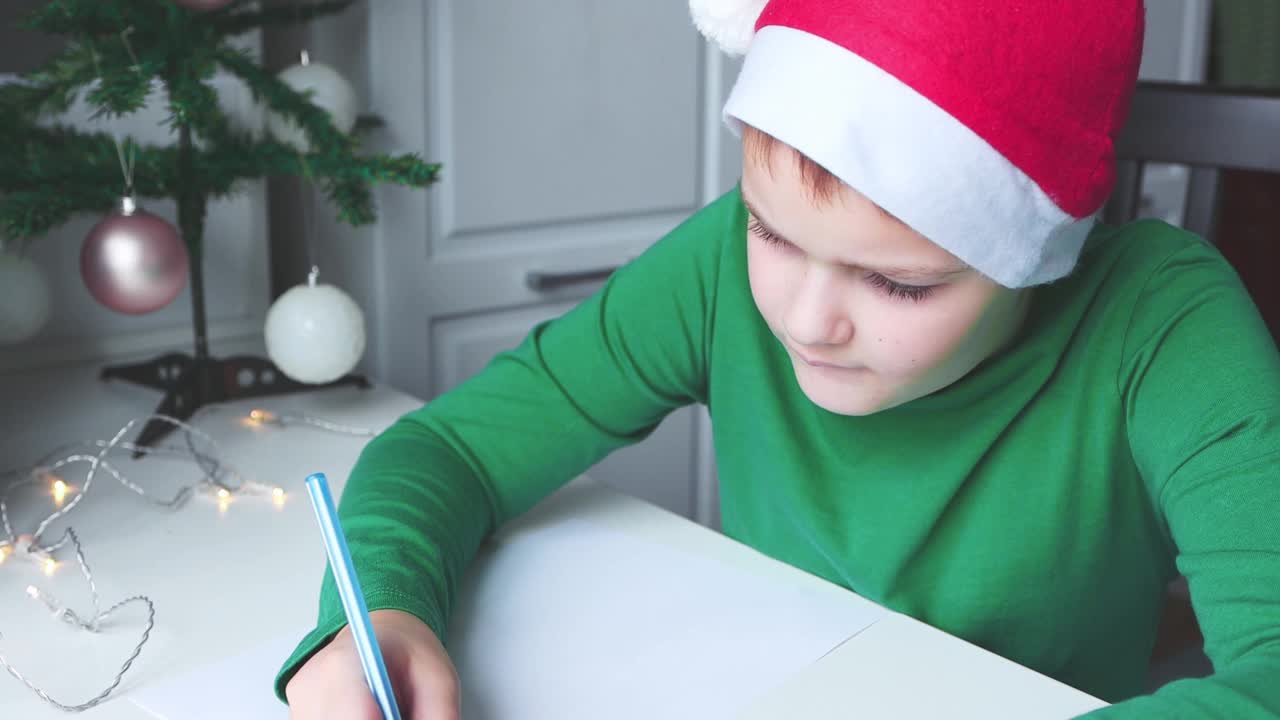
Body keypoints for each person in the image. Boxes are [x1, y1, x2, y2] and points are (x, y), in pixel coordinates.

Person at [278, 1, 1280, 718]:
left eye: (897, 285)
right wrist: (380, 614)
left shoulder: (1160, 320)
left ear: (1035, 255)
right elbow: (448, 452)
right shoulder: (717, 266)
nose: (803, 321)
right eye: (770, 230)